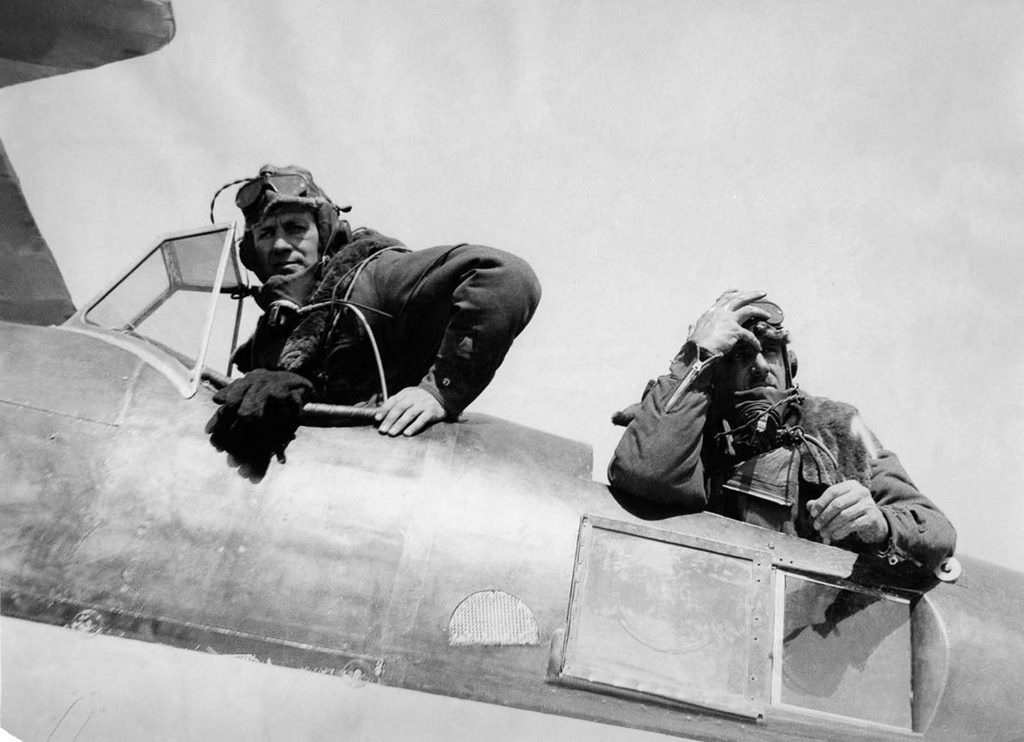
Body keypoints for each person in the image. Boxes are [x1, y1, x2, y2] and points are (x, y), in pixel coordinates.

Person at [206, 164, 541, 471]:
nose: (279, 245)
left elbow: (505, 277)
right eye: (265, 233)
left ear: (324, 235)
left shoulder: (373, 277)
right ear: (251, 250)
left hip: (391, 477)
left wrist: (440, 391)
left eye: (295, 228)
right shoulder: (272, 337)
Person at [607, 289, 956, 574]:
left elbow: (935, 530)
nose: (760, 366)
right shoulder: (685, 419)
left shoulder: (839, 427)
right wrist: (697, 357)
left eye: (770, 352)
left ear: (789, 367)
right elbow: (646, 472)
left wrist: (879, 524)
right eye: (739, 355)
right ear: (717, 374)